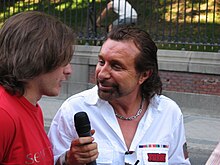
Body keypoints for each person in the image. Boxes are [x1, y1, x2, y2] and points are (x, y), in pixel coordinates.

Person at [48, 25, 191, 165]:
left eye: (116, 66)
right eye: (101, 62)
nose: (102, 74)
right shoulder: (73, 109)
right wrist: (67, 160)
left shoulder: (168, 113)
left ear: (144, 75)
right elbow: (49, 161)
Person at [0, 11, 75, 164]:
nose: (68, 70)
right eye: (63, 61)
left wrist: (66, 161)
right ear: (38, 58)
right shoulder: (4, 115)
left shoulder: (33, 108)